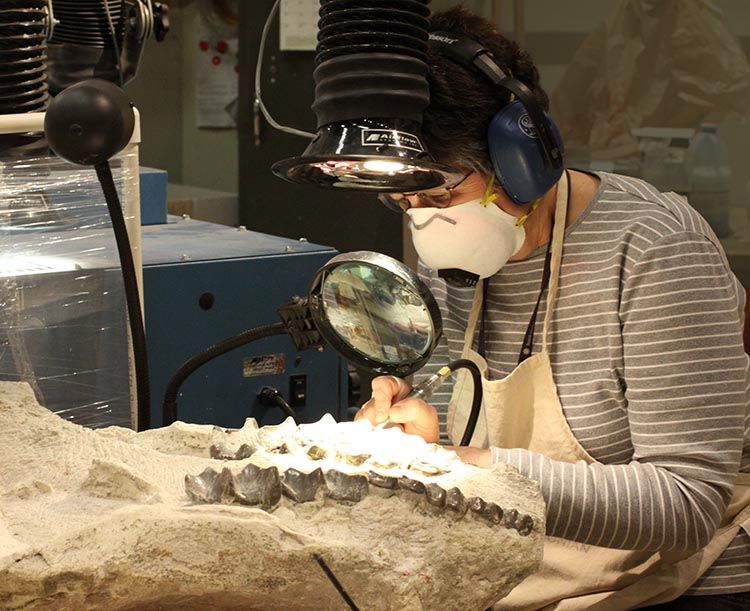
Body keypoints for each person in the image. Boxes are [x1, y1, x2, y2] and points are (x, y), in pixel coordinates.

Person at [355, 7, 750, 610]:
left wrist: (478, 466)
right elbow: (450, 419)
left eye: (439, 191)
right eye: (403, 197)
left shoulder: (655, 249)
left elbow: (685, 504)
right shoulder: (448, 258)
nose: (422, 218)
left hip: (672, 582)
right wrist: (426, 430)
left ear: (523, 160)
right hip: (523, 563)